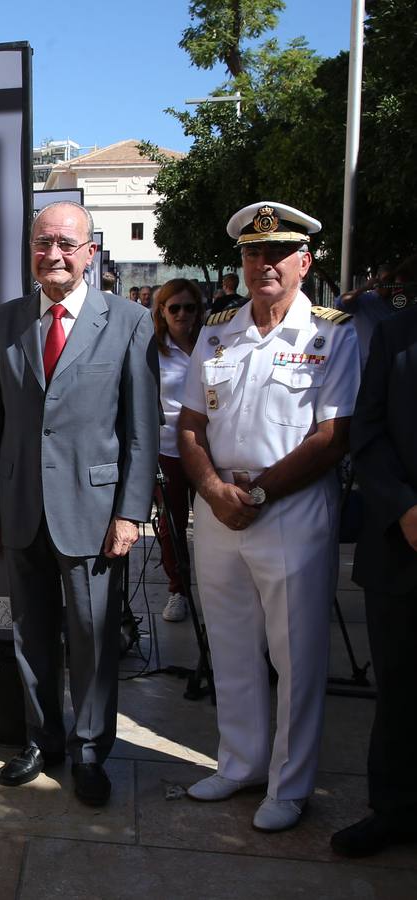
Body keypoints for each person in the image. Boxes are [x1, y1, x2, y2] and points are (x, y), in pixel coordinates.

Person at [176, 202, 359, 833]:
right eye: (253, 254)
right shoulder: (219, 329)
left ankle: (289, 783)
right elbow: (191, 423)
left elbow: (333, 435)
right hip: (220, 506)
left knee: (296, 656)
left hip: (291, 509)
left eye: (278, 253)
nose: (264, 264)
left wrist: (259, 493)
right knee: (230, 646)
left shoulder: (331, 333)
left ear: (304, 261)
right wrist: (212, 487)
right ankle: (241, 762)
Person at [0, 200, 159, 808]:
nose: (53, 254)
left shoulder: (129, 321)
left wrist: (131, 511)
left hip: (96, 512)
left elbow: (141, 430)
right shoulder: (6, 322)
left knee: (93, 639)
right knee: (30, 633)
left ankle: (90, 751)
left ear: (89, 251)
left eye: (65, 245)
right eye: (42, 243)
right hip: (22, 505)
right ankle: (41, 739)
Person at [334, 307, 417, 856]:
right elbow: (368, 429)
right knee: (402, 688)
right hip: (402, 544)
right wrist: (404, 508)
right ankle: (395, 810)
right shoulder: (398, 331)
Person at [150, 279, 203, 622]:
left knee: (218, 526)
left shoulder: (214, 344)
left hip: (209, 449)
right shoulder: (151, 348)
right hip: (167, 449)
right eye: (175, 308)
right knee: (172, 524)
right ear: (162, 312)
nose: (182, 314)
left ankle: (220, 588)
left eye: (190, 307)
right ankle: (177, 590)